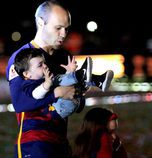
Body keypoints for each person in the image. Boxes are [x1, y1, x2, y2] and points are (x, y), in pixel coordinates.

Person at [6, 1, 114, 158]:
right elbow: (20, 103)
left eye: (66, 28)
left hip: (61, 143)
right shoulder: (22, 57)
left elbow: (76, 107)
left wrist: (77, 93)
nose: (64, 34)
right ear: (41, 23)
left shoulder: (64, 57)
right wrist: (57, 92)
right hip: (35, 144)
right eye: (58, 28)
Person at [14, 48, 92, 118]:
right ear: (27, 74)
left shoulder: (44, 77)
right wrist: (47, 84)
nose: (45, 66)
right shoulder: (27, 85)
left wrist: (69, 71)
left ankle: (82, 85)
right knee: (57, 79)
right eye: (40, 65)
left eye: (44, 63)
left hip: (65, 105)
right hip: (58, 109)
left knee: (57, 79)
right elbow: (36, 94)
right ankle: (81, 76)